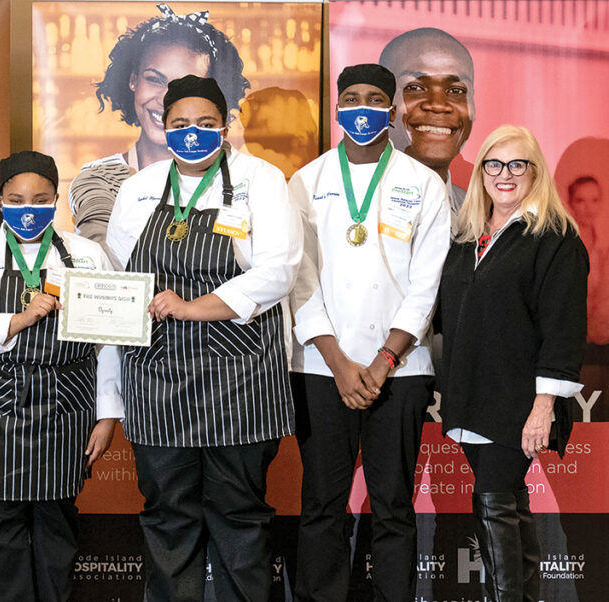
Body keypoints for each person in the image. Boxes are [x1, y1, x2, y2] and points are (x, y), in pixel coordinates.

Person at [102, 75, 301, 600]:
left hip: (239, 374)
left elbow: (278, 271)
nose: (193, 133)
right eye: (180, 124)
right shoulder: (139, 189)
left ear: (227, 124)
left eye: (206, 124)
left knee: (240, 516)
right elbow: (123, 275)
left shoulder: (261, 180)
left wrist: (192, 308)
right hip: (157, 373)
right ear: (163, 127)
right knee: (168, 516)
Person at [288, 64, 450, 601]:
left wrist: (382, 360)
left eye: (374, 98)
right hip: (319, 367)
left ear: (393, 110)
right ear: (336, 109)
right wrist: (338, 362)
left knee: (393, 503)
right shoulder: (305, 182)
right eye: (351, 98)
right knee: (321, 504)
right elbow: (299, 279)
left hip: (400, 371)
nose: (362, 107)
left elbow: (426, 285)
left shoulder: (422, 182)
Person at [0, 151, 119, 601]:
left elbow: (111, 341)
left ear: (57, 199)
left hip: (66, 408)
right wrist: (18, 319)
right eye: (16, 199)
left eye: (40, 198)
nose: (28, 208)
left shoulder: (88, 255)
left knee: (57, 534)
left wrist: (109, 415)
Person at [439, 125, 587, 601]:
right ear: (481, 172)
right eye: (494, 164)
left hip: (519, 401)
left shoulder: (554, 236)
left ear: (535, 172)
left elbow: (564, 328)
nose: (504, 175)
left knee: (493, 502)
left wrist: (544, 405)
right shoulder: (467, 239)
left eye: (517, 164)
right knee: (505, 505)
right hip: (470, 396)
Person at [70, 3, 248, 245]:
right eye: (154, 79)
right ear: (133, 80)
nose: (167, 99)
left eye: (186, 85)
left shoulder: (243, 179)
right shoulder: (101, 179)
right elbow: (100, 255)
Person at [379, 27, 475, 210]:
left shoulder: (478, 212)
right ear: (385, 105)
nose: (438, 105)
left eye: (456, 91)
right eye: (414, 88)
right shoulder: (354, 202)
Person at [565, 175, 608, 344]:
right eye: (581, 201)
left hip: (597, 337)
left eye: (594, 200)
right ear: (570, 203)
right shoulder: (561, 244)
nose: (588, 208)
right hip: (567, 334)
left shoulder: (604, 247)